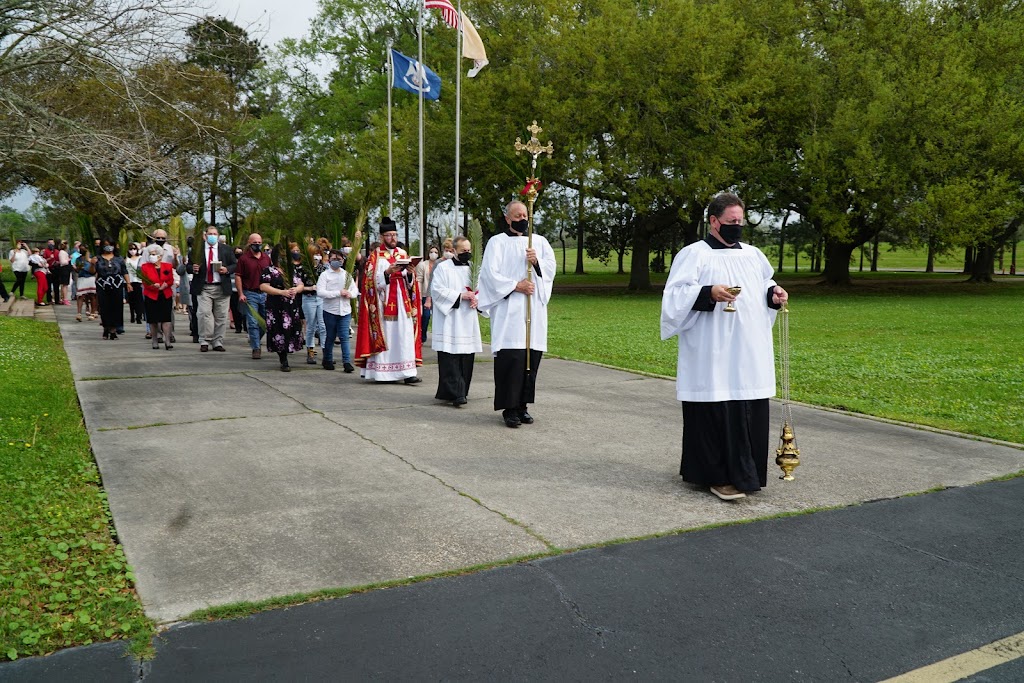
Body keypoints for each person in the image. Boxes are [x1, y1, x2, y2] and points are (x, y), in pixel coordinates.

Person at [660, 192, 790, 502]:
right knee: (716, 408)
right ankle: (716, 476)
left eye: (740, 221)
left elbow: (764, 283)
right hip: (712, 350)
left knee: (749, 407)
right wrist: (708, 292)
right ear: (713, 221)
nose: (737, 226)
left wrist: (774, 293)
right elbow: (675, 299)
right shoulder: (694, 254)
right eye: (731, 221)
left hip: (748, 350)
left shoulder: (753, 255)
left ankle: (748, 474)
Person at [477, 200, 556, 428]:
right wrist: (515, 285)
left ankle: (523, 406)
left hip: (534, 311)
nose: (522, 219)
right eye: (518, 216)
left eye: (525, 215)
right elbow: (490, 275)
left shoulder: (539, 242)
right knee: (512, 359)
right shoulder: (497, 242)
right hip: (509, 311)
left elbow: (550, 270)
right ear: (508, 218)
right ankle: (509, 409)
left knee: (530, 358)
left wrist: (537, 262)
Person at [353, 217, 423, 383]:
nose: (393, 239)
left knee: (404, 334)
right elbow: (369, 282)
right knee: (389, 335)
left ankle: (407, 372)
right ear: (382, 237)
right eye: (389, 235)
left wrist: (411, 273)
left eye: (395, 235)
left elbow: (411, 284)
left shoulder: (403, 254)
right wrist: (387, 273)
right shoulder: (375, 257)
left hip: (403, 300)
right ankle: (383, 373)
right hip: (383, 303)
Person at [430, 236, 484, 406]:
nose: (467, 254)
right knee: (450, 357)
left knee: (466, 357)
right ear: (453, 251)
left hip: (467, 318)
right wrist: (461, 296)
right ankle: (455, 393)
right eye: (463, 251)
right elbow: (437, 290)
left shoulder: (474, 269)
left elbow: (482, 289)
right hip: (450, 320)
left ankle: (463, 391)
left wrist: (477, 299)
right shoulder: (443, 268)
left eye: (469, 251)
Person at [189, 225, 237, 353]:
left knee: (221, 316)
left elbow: (235, 265)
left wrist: (227, 269)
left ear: (218, 236)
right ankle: (204, 340)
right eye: (210, 234)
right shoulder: (197, 251)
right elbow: (188, 266)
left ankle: (218, 341)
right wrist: (192, 268)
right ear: (205, 236)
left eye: (215, 234)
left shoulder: (226, 249)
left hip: (221, 286)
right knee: (204, 314)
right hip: (204, 286)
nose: (212, 236)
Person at [260, 248, 305, 371]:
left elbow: (301, 284)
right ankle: (283, 358)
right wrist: (281, 292)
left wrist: (296, 289)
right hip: (276, 306)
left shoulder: (291, 270)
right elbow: (263, 286)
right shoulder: (269, 270)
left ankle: (288, 349)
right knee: (278, 330)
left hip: (290, 306)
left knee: (291, 330)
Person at [316, 248, 359, 372]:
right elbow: (320, 292)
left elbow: (354, 290)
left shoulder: (346, 274)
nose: (336, 261)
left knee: (344, 337)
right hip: (330, 311)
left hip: (345, 311)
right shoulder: (325, 275)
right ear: (329, 260)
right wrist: (337, 293)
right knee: (330, 336)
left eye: (339, 259)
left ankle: (346, 362)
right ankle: (328, 359)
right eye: (334, 259)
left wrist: (350, 294)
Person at [236, 233, 271, 359]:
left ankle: (254, 338)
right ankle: (256, 348)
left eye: (259, 242)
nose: (257, 244)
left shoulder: (266, 258)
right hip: (250, 293)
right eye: (255, 242)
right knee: (252, 322)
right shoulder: (243, 259)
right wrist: (241, 293)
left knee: (267, 322)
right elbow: (238, 276)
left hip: (265, 293)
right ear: (249, 243)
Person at [296, 243, 326, 365]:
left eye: (319, 254)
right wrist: (310, 288)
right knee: (311, 326)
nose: (317, 256)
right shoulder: (301, 269)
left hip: (321, 298)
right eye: (315, 254)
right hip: (309, 298)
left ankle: (326, 352)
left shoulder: (323, 268)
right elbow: (298, 286)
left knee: (323, 326)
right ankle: (310, 351)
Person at [141, 245, 175, 350]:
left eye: (154, 254)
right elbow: (145, 281)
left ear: (160, 256)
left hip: (165, 294)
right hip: (151, 295)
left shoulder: (167, 266)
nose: (152, 256)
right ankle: (155, 340)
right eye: (150, 254)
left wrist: (165, 284)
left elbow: (170, 280)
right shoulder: (145, 267)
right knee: (153, 319)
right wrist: (152, 285)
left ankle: (167, 340)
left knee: (166, 318)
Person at [94, 240, 130, 339]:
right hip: (102, 284)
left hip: (117, 284)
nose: (108, 247)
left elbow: (124, 271)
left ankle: (114, 329)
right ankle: (106, 327)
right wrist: (93, 264)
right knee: (104, 306)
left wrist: (128, 283)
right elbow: (93, 272)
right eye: (106, 245)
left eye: (110, 245)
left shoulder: (119, 259)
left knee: (116, 307)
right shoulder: (98, 258)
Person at [415, 245, 439, 343]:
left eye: (436, 252)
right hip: (425, 295)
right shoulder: (422, 265)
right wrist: (420, 295)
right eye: (431, 252)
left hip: (437, 295)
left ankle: (438, 337)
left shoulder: (441, 264)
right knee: (425, 316)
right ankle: (423, 334)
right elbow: (419, 280)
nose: (433, 254)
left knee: (438, 318)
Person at [74, 246, 97, 321]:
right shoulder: (78, 259)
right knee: (80, 296)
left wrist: (91, 264)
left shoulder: (91, 259)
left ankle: (93, 312)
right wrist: (77, 268)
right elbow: (77, 270)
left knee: (92, 296)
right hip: (82, 278)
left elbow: (93, 271)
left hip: (90, 278)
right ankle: (79, 313)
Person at [125, 243, 145, 324]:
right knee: (131, 299)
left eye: (134, 249)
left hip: (138, 281)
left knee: (139, 300)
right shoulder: (126, 259)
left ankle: (139, 316)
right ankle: (132, 315)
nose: (132, 251)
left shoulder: (140, 258)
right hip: (129, 281)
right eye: (131, 249)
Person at [42, 239, 60, 304]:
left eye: (52, 243)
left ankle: (57, 300)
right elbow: (43, 260)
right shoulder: (45, 251)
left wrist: (57, 262)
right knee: (48, 286)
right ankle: (49, 300)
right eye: (49, 243)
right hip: (48, 269)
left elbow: (59, 260)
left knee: (56, 285)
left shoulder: (57, 251)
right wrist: (49, 258)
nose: (50, 244)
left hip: (56, 269)